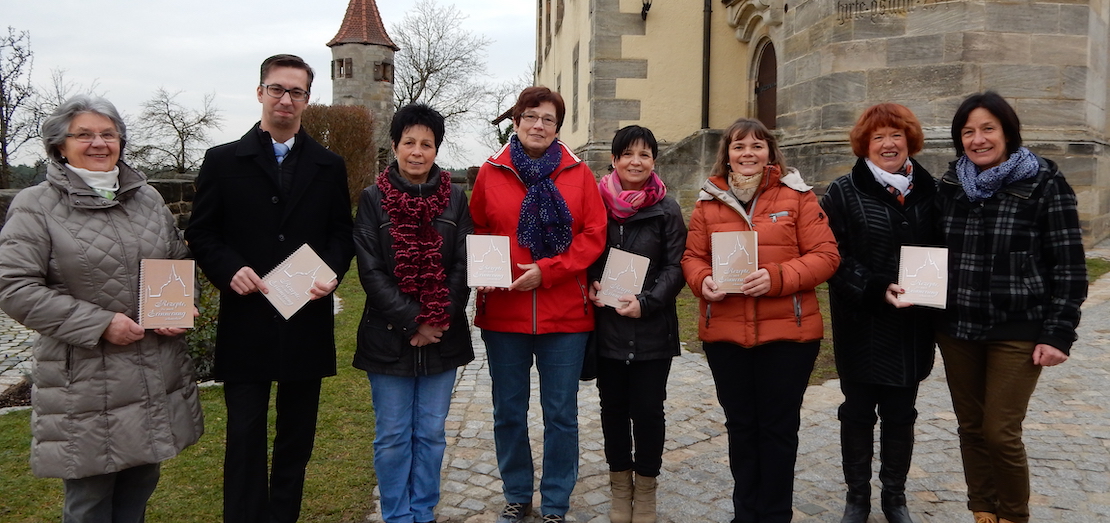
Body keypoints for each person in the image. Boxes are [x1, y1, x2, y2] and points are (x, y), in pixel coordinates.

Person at [0, 95, 203, 522]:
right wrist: (100, 323)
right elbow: (14, 286)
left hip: (152, 371)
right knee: (90, 499)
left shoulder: (145, 198)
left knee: (139, 488)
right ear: (59, 146)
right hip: (87, 379)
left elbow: (176, 262)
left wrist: (180, 308)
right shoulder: (36, 206)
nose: (98, 143)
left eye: (108, 134)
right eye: (84, 135)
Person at [185, 54, 355, 523]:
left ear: (306, 99)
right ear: (260, 92)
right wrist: (228, 268)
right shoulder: (222, 161)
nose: (286, 99)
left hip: (305, 316)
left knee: (296, 436)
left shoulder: (328, 164)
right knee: (244, 434)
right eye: (277, 89)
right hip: (247, 318)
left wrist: (333, 271)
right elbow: (202, 233)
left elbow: (342, 233)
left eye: (296, 92)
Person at [936, 92, 1087, 523]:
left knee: (1000, 432)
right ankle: (983, 510)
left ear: (1007, 132)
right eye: (968, 131)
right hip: (957, 327)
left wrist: (1058, 332)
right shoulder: (951, 186)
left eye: (988, 129)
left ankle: (1014, 515)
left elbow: (1070, 265)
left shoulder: (1043, 182)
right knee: (971, 428)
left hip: (1018, 328)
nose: (978, 139)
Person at [681, 118, 840, 523]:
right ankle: (744, 513)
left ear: (770, 151)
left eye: (756, 145)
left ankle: (774, 515)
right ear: (727, 155)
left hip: (788, 335)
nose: (747, 153)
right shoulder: (708, 201)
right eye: (738, 147)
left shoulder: (798, 197)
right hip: (727, 335)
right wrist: (704, 281)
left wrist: (777, 277)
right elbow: (692, 258)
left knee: (778, 431)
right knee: (741, 428)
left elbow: (826, 256)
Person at [469, 86, 607, 523]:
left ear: (557, 127)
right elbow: (477, 231)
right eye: (531, 116)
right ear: (516, 120)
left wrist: (547, 271)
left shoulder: (578, 173)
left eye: (548, 119)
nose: (538, 125)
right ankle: (516, 493)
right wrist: (489, 274)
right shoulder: (491, 172)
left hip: (565, 314)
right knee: (508, 411)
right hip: (505, 315)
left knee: (561, 415)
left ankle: (555, 503)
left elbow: (593, 237)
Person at [352, 103, 474, 523]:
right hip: (388, 336)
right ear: (395, 146)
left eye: (427, 144)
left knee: (432, 434)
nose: (417, 152)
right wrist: (413, 320)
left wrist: (438, 318)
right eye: (409, 143)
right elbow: (370, 269)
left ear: (436, 149)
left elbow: (462, 265)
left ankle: (423, 511)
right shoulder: (372, 200)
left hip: (443, 337)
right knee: (392, 436)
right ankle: (396, 515)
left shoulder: (456, 200)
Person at [820, 103, 938, 523]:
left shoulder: (932, 191)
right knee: (856, 412)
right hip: (862, 325)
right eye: (878, 137)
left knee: (901, 413)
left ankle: (894, 496)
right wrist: (873, 288)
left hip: (911, 326)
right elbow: (832, 256)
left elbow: (944, 251)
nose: (888, 144)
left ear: (909, 140)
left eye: (896, 135)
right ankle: (857, 497)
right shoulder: (842, 191)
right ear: (864, 145)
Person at [586, 125, 686, 523]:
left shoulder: (667, 209)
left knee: (647, 411)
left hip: (651, 330)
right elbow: (587, 251)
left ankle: (645, 488)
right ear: (614, 160)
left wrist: (646, 303)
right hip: (607, 328)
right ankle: (619, 486)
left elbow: (676, 266)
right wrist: (591, 279)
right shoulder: (595, 203)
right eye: (627, 154)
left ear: (654, 161)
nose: (635, 161)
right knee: (612, 409)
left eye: (644, 154)